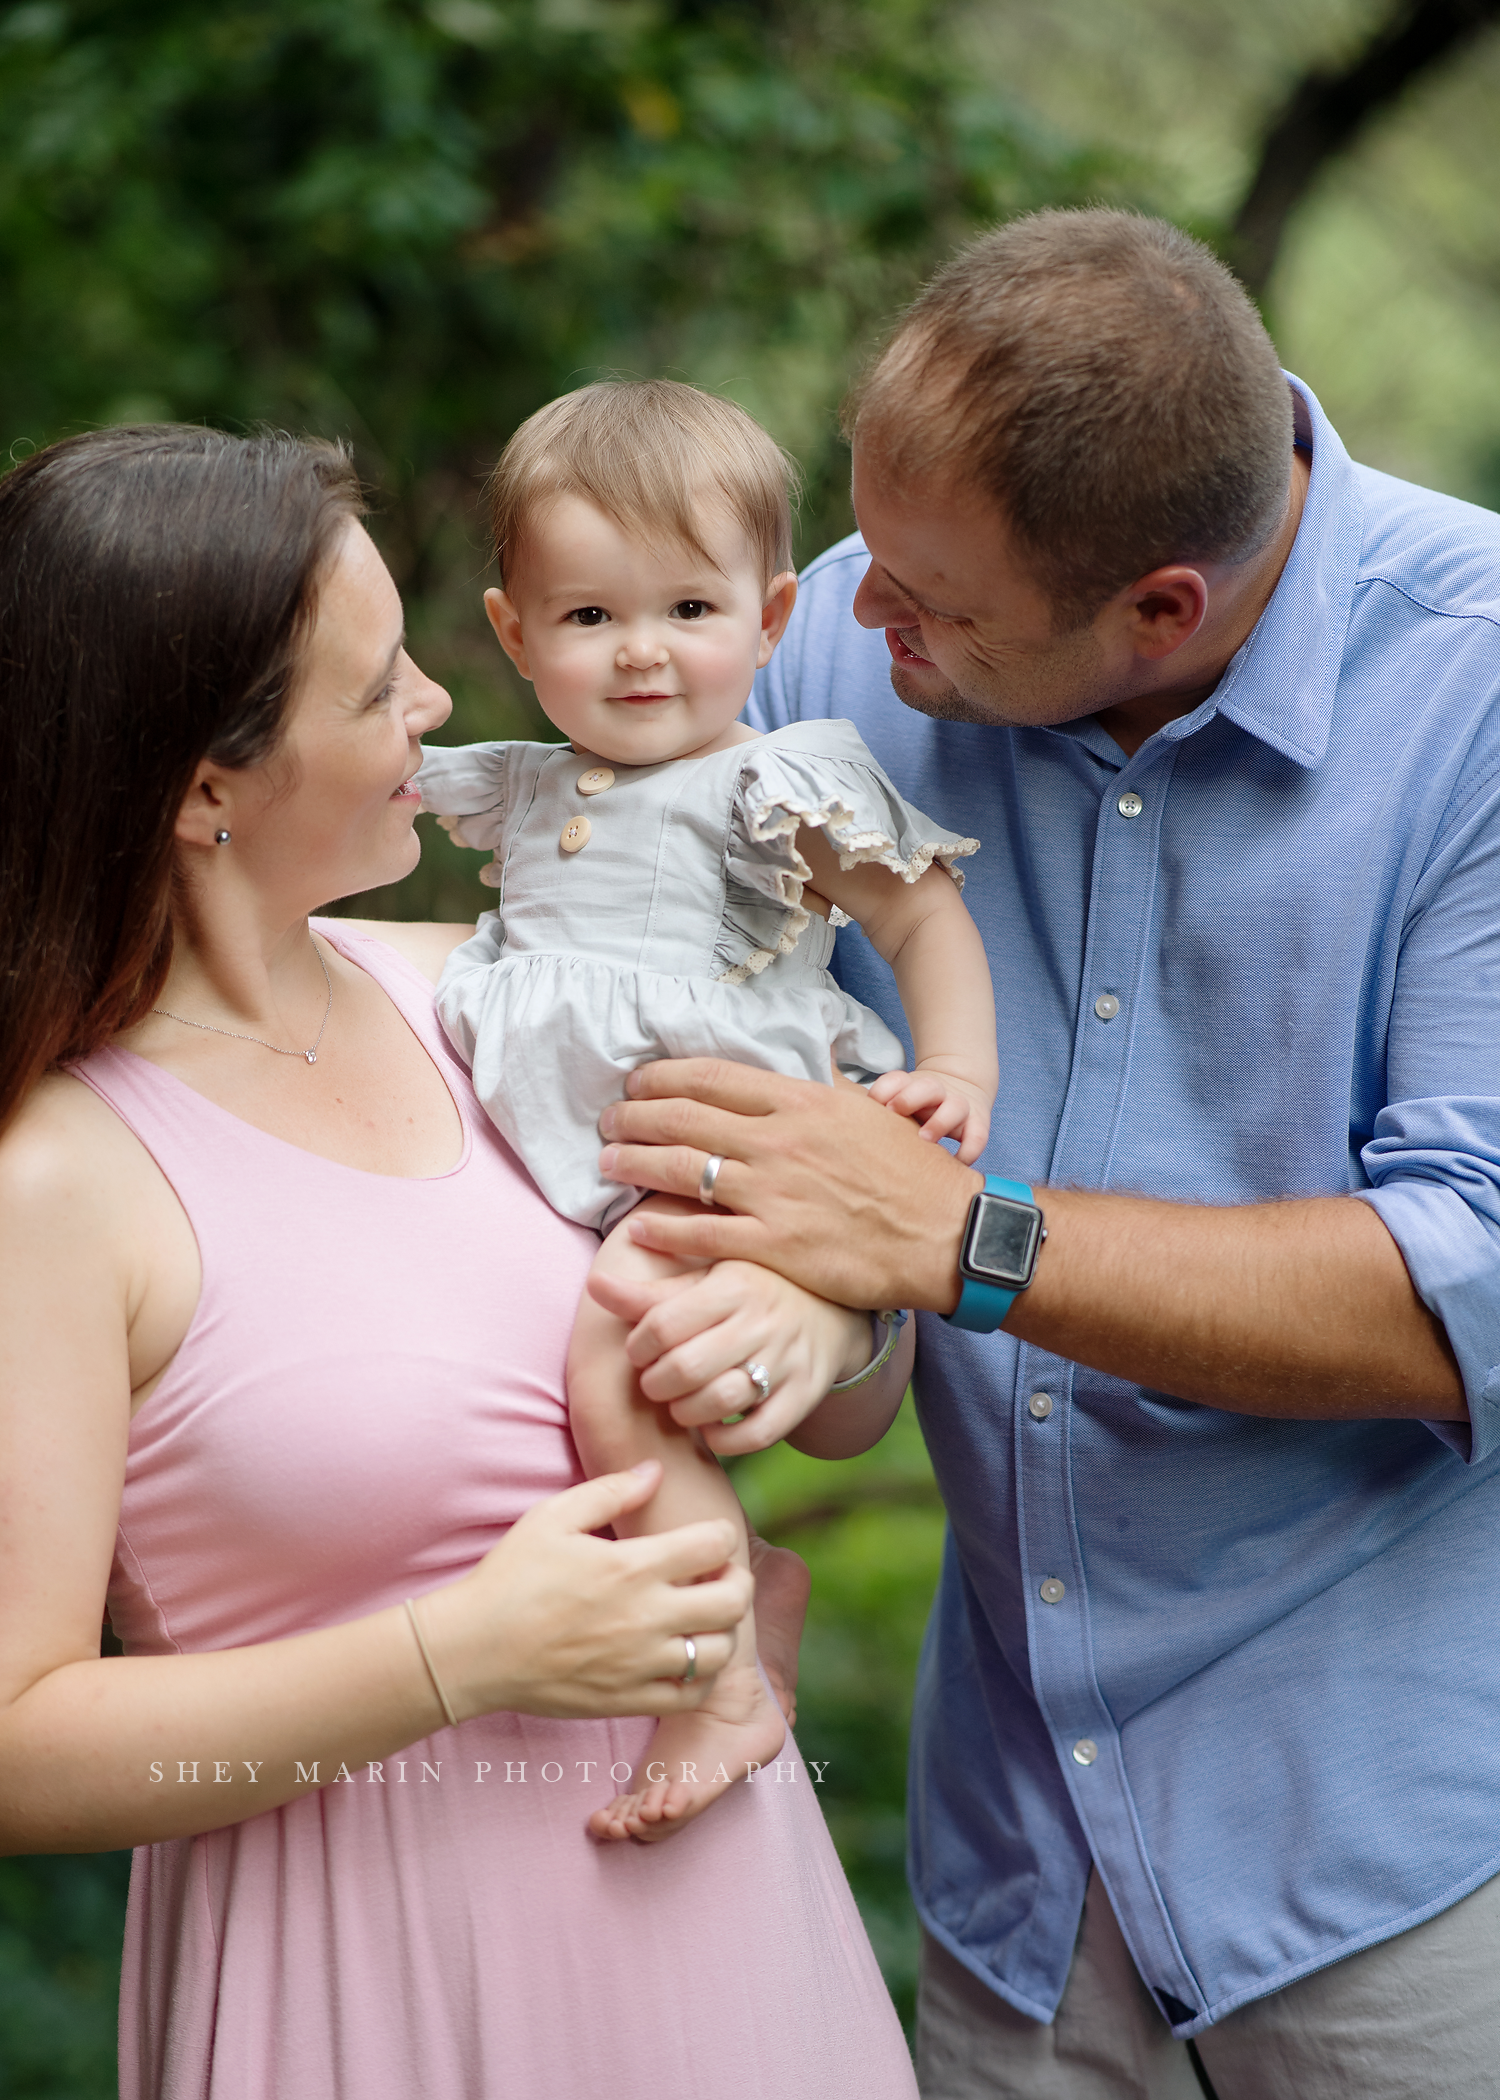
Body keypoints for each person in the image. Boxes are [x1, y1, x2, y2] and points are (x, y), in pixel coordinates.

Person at [588, 209, 1500, 2099]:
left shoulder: (1477, 692)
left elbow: (1468, 1290)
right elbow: (629, 1000)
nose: (853, 624)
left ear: (1160, 608)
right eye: (866, 556)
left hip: (1406, 1880)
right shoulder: (843, 641)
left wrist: (962, 1239)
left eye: (933, 611)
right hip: (1013, 1867)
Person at [0, 424, 920, 2100]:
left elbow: (854, 1410)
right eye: (375, 691)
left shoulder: (504, 997)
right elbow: (12, 1750)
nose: (437, 704)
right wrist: (459, 1658)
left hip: (730, 1951)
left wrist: (816, 1311)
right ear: (207, 787)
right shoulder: (59, 1181)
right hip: (371, 1988)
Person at [416, 377, 996, 1842]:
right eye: (591, 617)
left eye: (689, 609)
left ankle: (721, 1666)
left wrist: (960, 1073)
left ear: (775, 614)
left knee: (621, 1335)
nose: (642, 657)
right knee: (581, 1349)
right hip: (610, 1159)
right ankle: (737, 1572)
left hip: (749, 1143)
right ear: (512, 633)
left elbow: (926, 922)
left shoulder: (778, 783)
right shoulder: (530, 788)